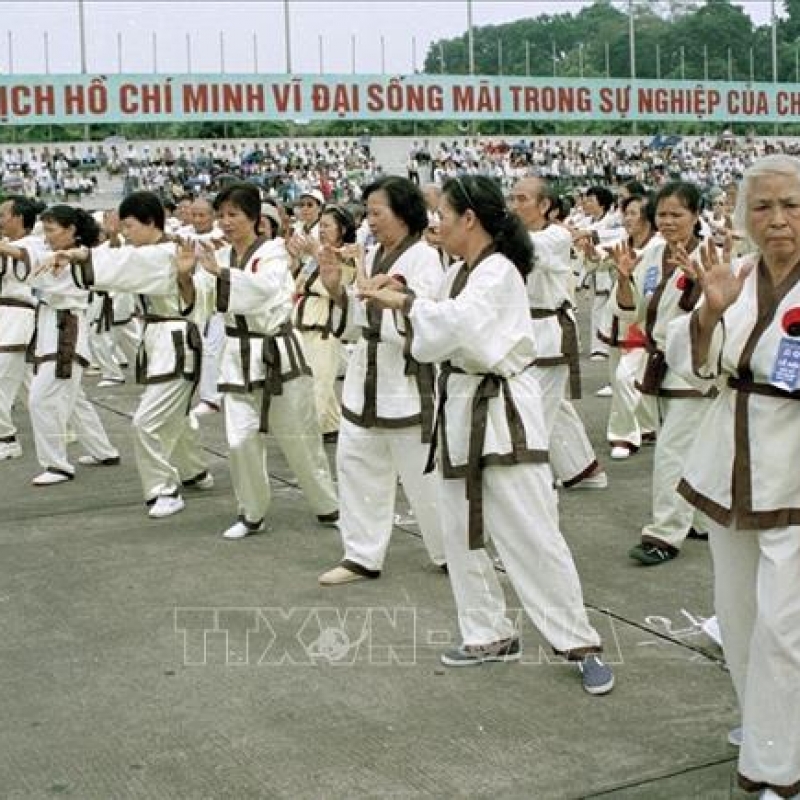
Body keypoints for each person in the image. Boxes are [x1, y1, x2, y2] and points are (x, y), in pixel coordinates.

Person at [359, 175, 614, 694]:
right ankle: (487, 632)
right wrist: (404, 294)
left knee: (529, 530)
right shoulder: (461, 271)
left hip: (500, 412)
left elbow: (461, 326)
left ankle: (579, 642)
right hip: (460, 410)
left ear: (468, 219)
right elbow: (439, 316)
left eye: (444, 216)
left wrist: (404, 306)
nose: (437, 226)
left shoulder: (497, 271)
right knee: (460, 531)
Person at [666, 154, 800, 799]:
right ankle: (765, 724)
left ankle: (777, 770)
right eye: (763, 207)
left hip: (794, 472)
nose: (777, 221)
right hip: (730, 463)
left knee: (785, 628)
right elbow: (689, 365)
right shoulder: (735, 275)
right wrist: (709, 312)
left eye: (792, 206)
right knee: (740, 616)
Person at [178, 182, 338, 540]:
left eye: (233, 214)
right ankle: (252, 512)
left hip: (277, 351)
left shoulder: (275, 252)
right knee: (240, 440)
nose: (226, 222)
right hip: (238, 356)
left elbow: (264, 290)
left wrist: (219, 275)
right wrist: (186, 276)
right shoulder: (217, 257)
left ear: (253, 218)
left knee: (299, 437)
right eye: (222, 215)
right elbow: (202, 302)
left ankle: (327, 505)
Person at [47, 191, 210, 519]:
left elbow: (122, 263)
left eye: (131, 226)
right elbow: (117, 257)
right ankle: (195, 471)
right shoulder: (152, 250)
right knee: (174, 415)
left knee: (146, 422)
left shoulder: (165, 252)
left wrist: (80, 257)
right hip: (160, 339)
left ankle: (163, 489)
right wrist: (79, 253)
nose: (126, 233)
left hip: (177, 340)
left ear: (151, 222)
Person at [316, 176, 446, 585]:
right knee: (355, 463)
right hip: (366, 374)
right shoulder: (371, 254)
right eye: (367, 213)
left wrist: (390, 299)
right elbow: (356, 319)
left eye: (377, 213)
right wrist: (338, 290)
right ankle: (361, 554)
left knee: (423, 475)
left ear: (404, 212)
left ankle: (449, 551)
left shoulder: (424, 256)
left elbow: (426, 314)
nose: (369, 221)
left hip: (405, 378)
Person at [610, 181, 714, 565]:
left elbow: (720, 308)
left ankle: (664, 533)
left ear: (696, 216)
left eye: (677, 214)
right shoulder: (652, 254)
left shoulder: (711, 255)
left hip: (694, 365)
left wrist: (705, 281)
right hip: (661, 363)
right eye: (662, 215)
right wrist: (623, 279)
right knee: (692, 449)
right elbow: (631, 312)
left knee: (672, 451)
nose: (668, 222)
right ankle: (701, 519)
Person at [509, 177, 607, 490]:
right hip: (522, 330)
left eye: (522, 198)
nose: (515, 204)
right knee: (553, 406)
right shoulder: (520, 235)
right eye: (512, 198)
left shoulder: (556, 236)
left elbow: (526, 250)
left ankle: (532, 482)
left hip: (548, 331)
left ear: (545, 206)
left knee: (533, 410)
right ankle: (584, 470)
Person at [24, 205, 120, 485]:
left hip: (65, 328)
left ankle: (57, 465)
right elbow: (28, 259)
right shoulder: (50, 255)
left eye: (52, 230)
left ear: (71, 231)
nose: (48, 236)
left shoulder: (86, 258)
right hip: (50, 325)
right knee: (75, 398)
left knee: (41, 398)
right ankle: (103, 451)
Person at [293, 205, 357, 441]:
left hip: (325, 324)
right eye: (320, 226)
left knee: (317, 382)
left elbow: (337, 287)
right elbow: (300, 284)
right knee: (315, 378)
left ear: (342, 229)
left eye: (328, 226)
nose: (322, 231)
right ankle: (330, 424)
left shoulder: (347, 255)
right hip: (305, 320)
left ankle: (308, 434)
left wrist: (317, 253)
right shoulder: (315, 255)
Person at [0, 196, 46, 461]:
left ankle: (6, 439)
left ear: (18, 218)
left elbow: (19, 255)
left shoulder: (33, 243)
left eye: (4, 214)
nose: (1, 220)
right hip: (5, 316)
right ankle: (61, 428)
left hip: (17, 315)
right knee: (34, 384)